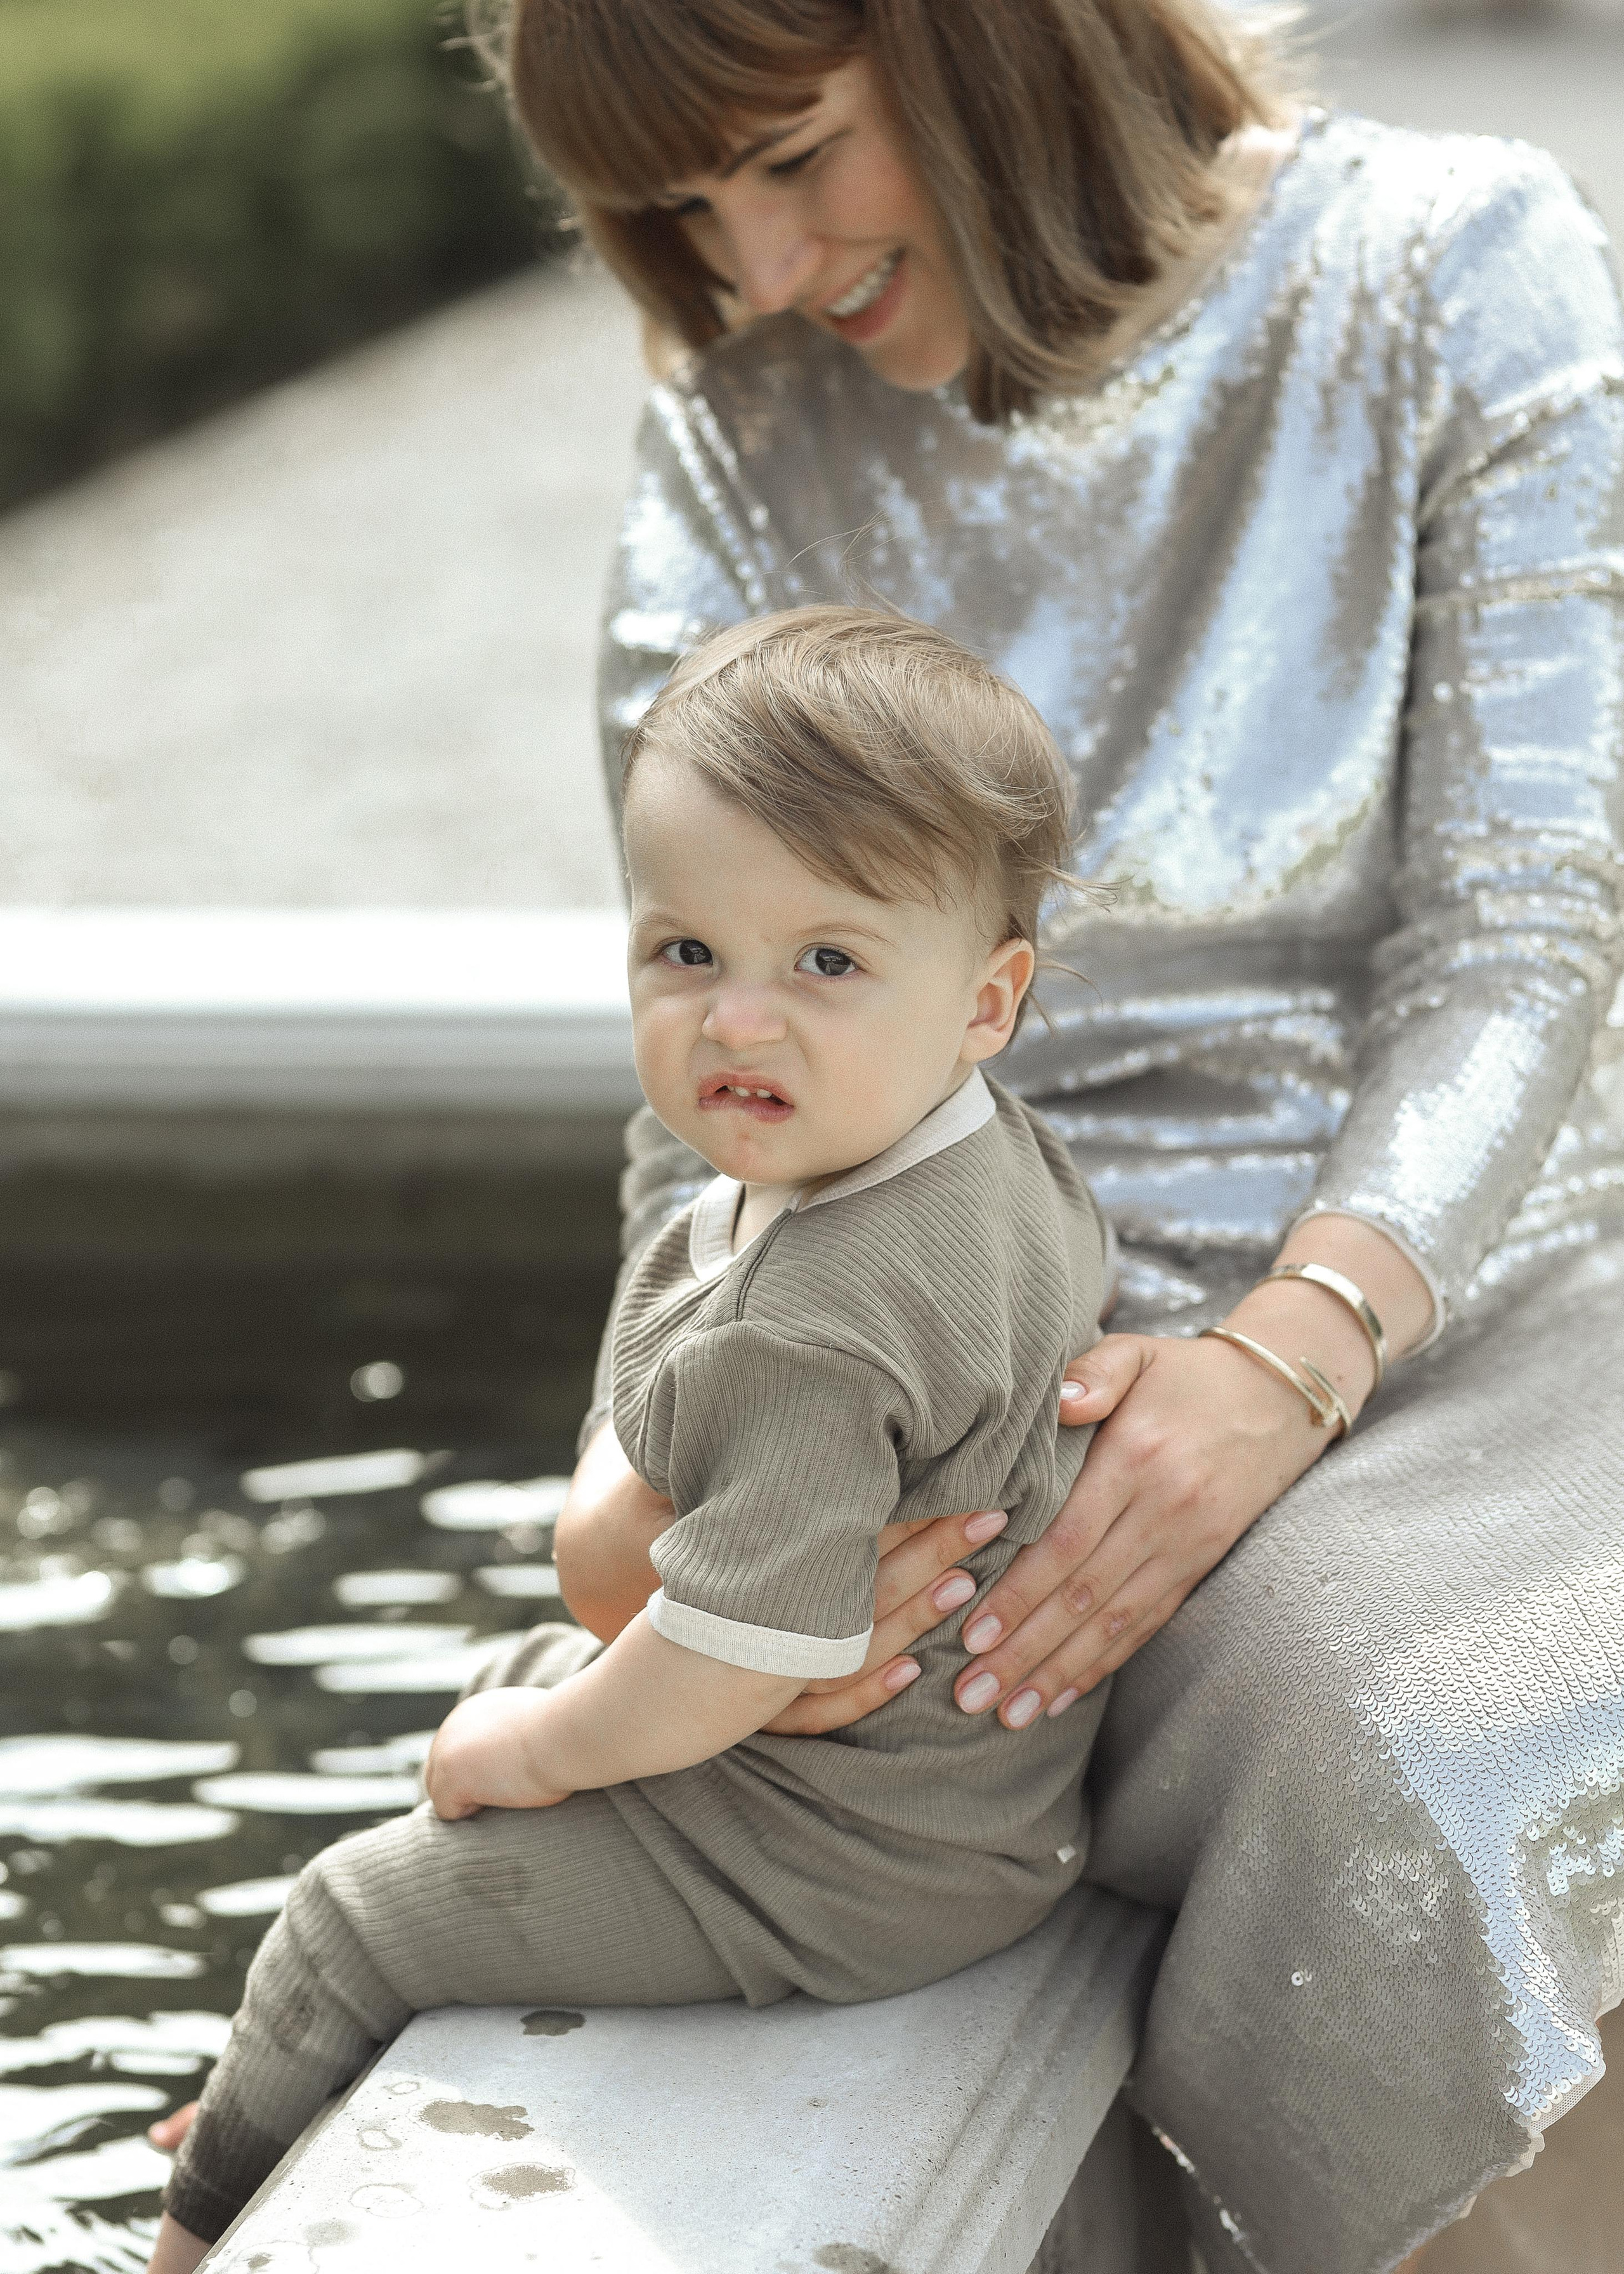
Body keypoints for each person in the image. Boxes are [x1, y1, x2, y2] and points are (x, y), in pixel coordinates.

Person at [483, 2, 1624, 2270]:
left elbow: (1532, 916)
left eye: (795, 153)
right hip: (957, 1359)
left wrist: (1292, 1351)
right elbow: (711, 1049)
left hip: (1469, 1294)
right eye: (691, 213)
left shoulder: (1452, 259)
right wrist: (654, 1464)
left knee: (1442, 1737)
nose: (770, 265)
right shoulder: (738, 431)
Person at [146, 608, 1113, 2271]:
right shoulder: (960, 1146)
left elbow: (735, 1660)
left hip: (848, 1859)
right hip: (947, 1792)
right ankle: (288, 2066)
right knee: (518, 1683)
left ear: (989, 998)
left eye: (826, 961)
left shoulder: (817, 1318)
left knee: (346, 1915)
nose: (740, 1022)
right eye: (686, 954)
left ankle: (185, 2224)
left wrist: (527, 1761)